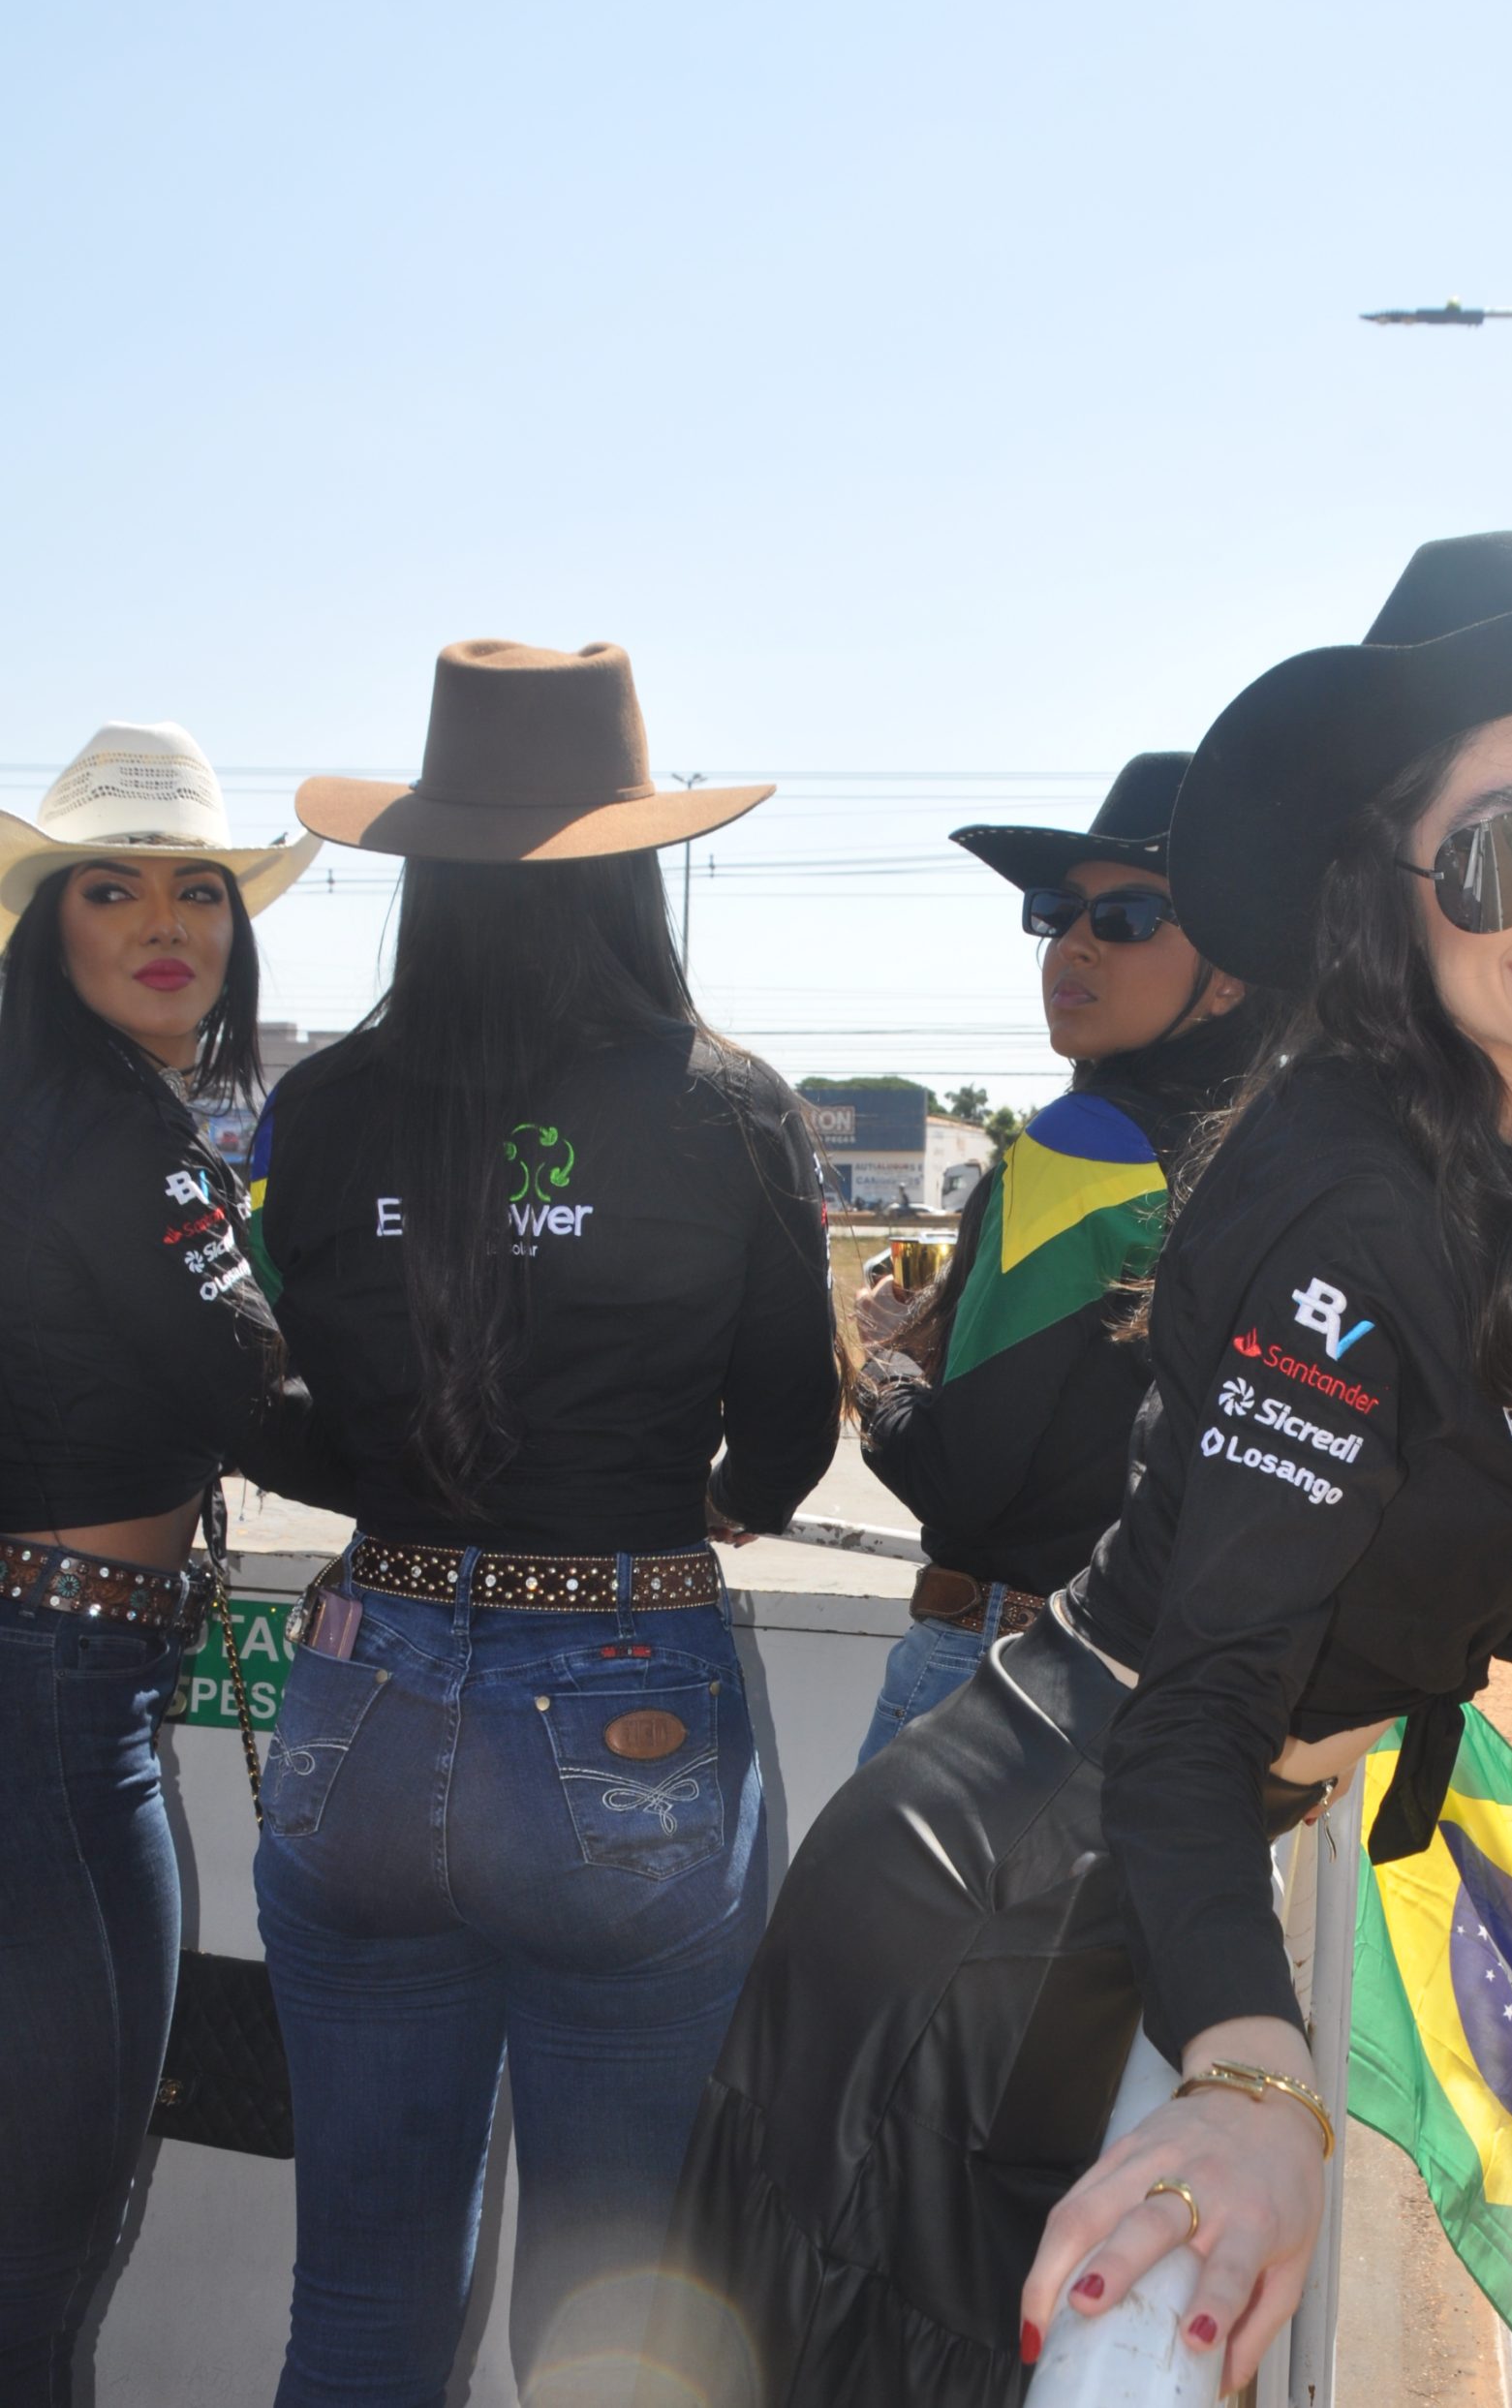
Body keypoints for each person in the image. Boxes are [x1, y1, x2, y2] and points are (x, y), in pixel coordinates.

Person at [644, 533, 1512, 2408]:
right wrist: (1258, 2079)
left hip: (1120, 1869)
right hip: (1007, 1906)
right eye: (1506, 850)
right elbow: (1194, 1711)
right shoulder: (1350, 1196)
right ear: (1388, 896)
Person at [246, 639, 844, 2408]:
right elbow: (791, 1433)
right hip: (625, 1686)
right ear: (635, 864)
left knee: (359, 2296)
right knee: (615, 2330)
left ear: (426, 864)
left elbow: (284, 1399)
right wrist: (690, 1501)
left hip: (364, 1679)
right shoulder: (727, 1105)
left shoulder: (322, 1106)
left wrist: (427, 1490)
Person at [0, 722, 324, 2405]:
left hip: (54, 1677)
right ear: (44, 923)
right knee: (45, 2235)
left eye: (198, 888)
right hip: (60, 1700)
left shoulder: (53, 1113)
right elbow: (250, 1395)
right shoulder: (120, 1136)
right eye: (110, 888)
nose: (165, 922)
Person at [852, 755, 1257, 1759]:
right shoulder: (1270, 1153)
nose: (1074, 942)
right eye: (1055, 911)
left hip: (999, 1677)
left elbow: (962, 1477)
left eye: (1127, 916)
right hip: (1186, 1705)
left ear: (1230, 978)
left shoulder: (1083, 1145)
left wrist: (884, 1367)